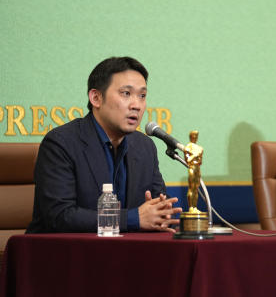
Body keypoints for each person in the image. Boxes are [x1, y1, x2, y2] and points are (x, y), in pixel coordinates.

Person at [27, 56, 182, 233]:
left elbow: (160, 206)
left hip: (126, 253)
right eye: (126, 93)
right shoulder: (61, 143)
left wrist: (163, 215)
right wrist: (133, 218)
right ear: (96, 98)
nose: (136, 105)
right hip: (66, 254)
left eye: (142, 96)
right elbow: (60, 216)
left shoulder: (145, 146)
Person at [184, 130, 203, 213]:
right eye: (193, 136)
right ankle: (191, 207)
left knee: (196, 188)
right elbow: (188, 160)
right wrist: (195, 155)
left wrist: (198, 157)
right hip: (191, 168)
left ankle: (195, 207)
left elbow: (200, 161)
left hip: (197, 168)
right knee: (191, 188)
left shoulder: (199, 148)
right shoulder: (188, 147)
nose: (195, 138)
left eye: (196, 136)